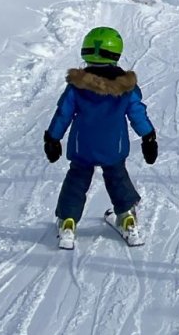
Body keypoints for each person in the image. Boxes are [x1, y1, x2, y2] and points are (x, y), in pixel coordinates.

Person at [44, 27, 158, 249]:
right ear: (116, 54)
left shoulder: (76, 87)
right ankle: (127, 217)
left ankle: (68, 222)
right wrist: (148, 137)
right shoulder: (126, 88)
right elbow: (137, 113)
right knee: (117, 178)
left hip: (82, 146)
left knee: (77, 181)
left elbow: (63, 113)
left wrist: (52, 138)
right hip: (113, 147)